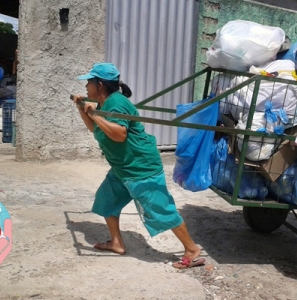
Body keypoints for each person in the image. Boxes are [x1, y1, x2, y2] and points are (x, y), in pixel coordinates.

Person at [71, 62, 205, 269]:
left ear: (99, 85)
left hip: (140, 167)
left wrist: (94, 114)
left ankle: (192, 250)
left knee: (161, 209)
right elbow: (95, 129)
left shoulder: (116, 102)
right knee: (106, 201)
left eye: (89, 82)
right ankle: (116, 243)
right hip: (122, 167)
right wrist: (83, 110)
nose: (86, 87)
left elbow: (119, 134)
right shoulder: (104, 103)